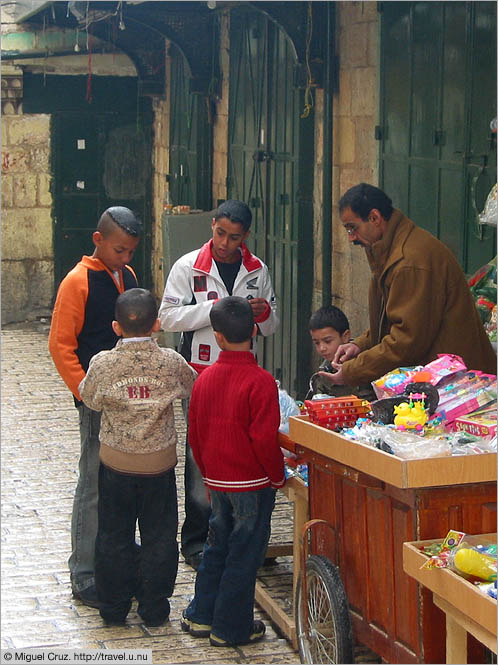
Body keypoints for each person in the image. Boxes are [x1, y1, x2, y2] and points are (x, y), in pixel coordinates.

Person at [159, 199, 279, 569]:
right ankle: (196, 539)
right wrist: (216, 310)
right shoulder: (187, 266)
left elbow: (273, 326)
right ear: (212, 225)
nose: (226, 243)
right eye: (220, 233)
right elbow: (167, 317)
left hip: (242, 373)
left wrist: (262, 314)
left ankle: (240, 535)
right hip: (200, 375)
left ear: (246, 237)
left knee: (239, 453)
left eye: (235, 237)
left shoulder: (257, 270)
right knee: (201, 455)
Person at [78, 289, 197, 626]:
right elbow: (191, 386)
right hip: (159, 466)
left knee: (113, 535)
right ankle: (155, 607)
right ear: (157, 324)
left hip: (116, 464)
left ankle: (113, 607)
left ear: (116, 327)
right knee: (159, 536)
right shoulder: (171, 361)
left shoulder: (103, 363)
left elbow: (90, 400)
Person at [48, 206, 142, 607]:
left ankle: (118, 562)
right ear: (98, 240)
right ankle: (83, 571)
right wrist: (85, 392)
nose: (126, 259)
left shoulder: (128, 276)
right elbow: (60, 345)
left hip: (128, 398)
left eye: (131, 252)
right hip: (96, 399)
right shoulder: (77, 282)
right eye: (120, 251)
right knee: (92, 481)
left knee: (123, 479)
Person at [319, 183, 497, 391]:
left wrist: (352, 371)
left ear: (375, 218)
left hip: (459, 385)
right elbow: (396, 319)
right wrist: (360, 345)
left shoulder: (410, 262)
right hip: (443, 377)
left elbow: (406, 341)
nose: (351, 238)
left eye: (352, 228)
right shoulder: (391, 248)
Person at [180, 296, 285, 647]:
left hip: (218, 483)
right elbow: (264, 439)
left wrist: (209, 476)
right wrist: (277, 476)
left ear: (218, 336)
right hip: (251, 484)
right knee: (244, 555)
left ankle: (201, 614)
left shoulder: (205, 380)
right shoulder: (261, 382)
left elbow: (195, 436)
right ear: (255, 331)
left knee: (216, 547)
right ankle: (230, 627)